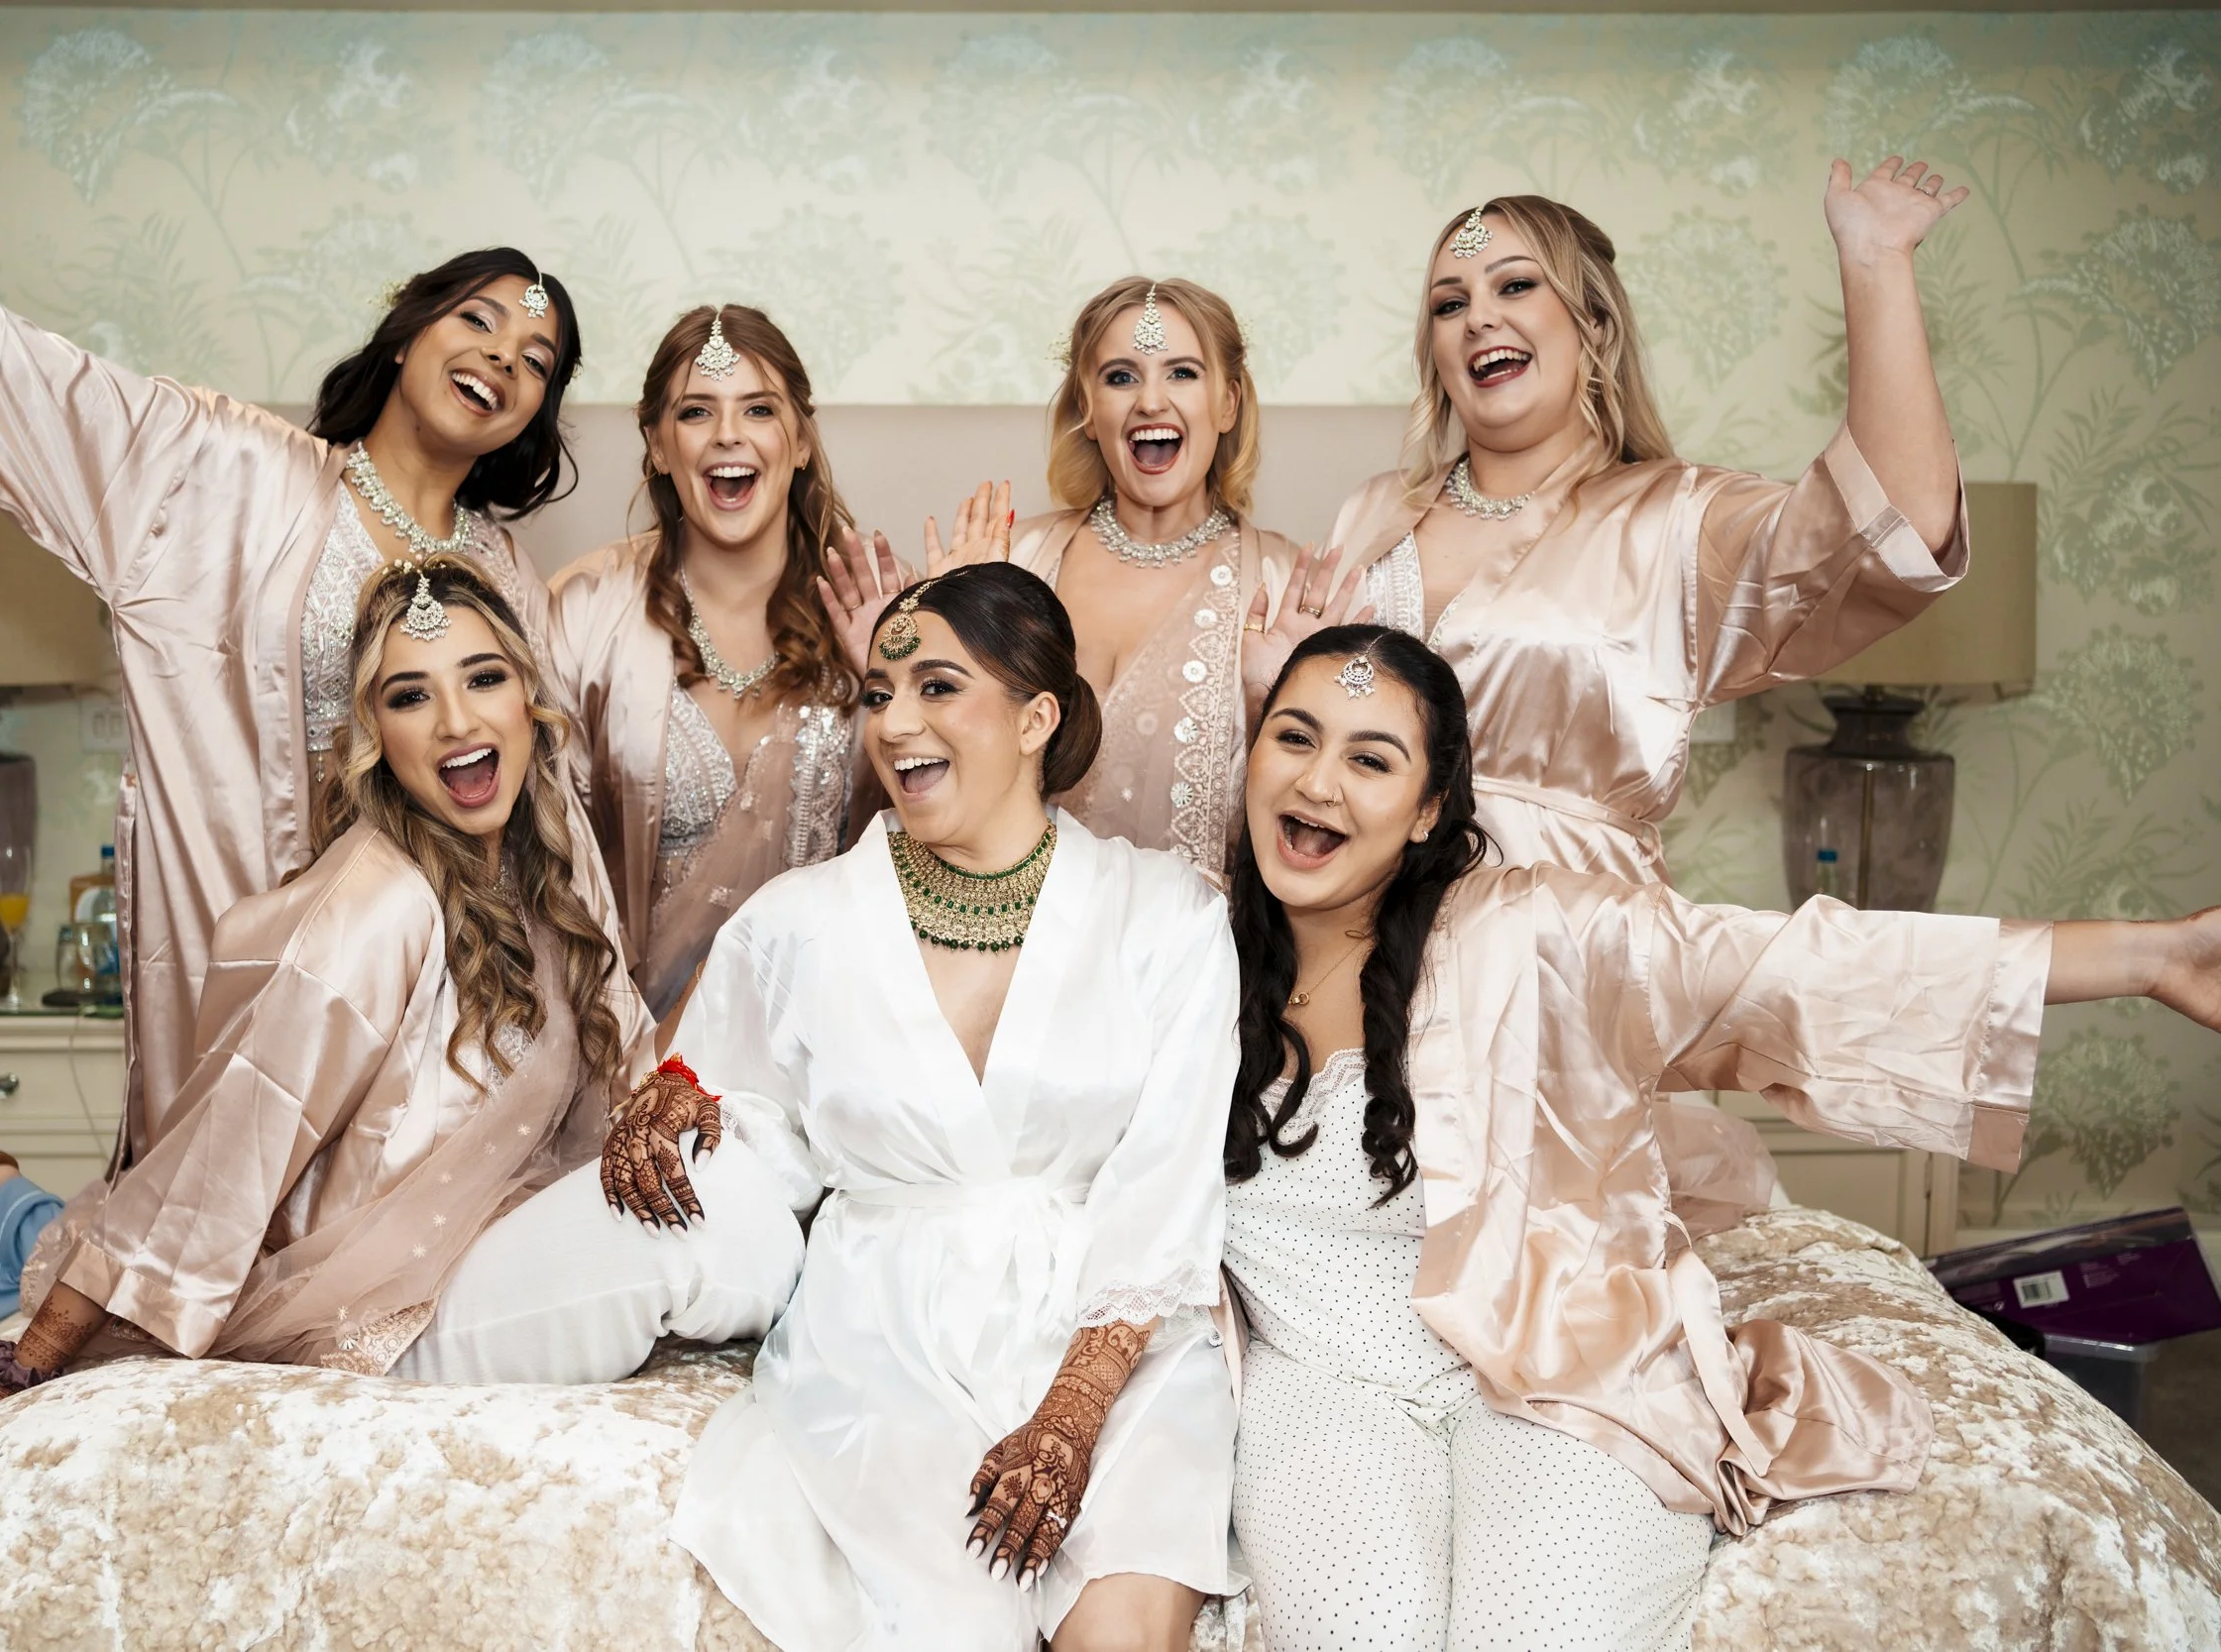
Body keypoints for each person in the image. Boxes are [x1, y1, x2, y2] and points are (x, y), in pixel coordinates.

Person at [1223, 624, 2221, 1650]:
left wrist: (2152, 958)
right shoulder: (1184, 956)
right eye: (1294, 737)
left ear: (1430, 807)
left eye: (1371, 759)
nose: (1319, 783)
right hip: (1321, 1390)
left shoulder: (1533, 934)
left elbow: (1801, 964)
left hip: (1555, 1370)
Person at [0, 163, 593, 1260]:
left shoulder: (510, 578)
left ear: (533, 416)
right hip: (263, 962)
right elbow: (11, 367)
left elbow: (553, 817)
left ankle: (13, 1221)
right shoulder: (227, 473)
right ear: (406, 332)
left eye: (537, 360)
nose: (503, 358)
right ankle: (17, 1221)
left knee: (396, 1269)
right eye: (478, 320)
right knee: (226, 1262)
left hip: (437, 1001)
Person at [0, 561, 805, 1463]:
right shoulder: (377, 907)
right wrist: (24, 1368)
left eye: (483, 678)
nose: (456, 720)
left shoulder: (549, 854)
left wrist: (665, 1097)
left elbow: (625, 1050)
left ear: (529, 699)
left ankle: (13, 1216)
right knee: (710, 1222)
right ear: (375, 736)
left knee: (730, 1168)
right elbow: (217, 1157)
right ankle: (13, 1230)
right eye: (410, 696)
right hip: (382, 1304)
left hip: (489, 1230)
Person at [625, 563, 1239, 1651]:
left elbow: (1168, 1179)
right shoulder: (800, 921)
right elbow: (734, 1099)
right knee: (949, 1624)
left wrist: (1072, 1414)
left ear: (1037, 718)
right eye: (879, 693)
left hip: (1115, 1343)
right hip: (886, 1337)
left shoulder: (1167, 916)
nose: (895, 723)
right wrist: (670, 1104)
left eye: (938, 687)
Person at [1308, 160, 1973, 885]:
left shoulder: (1676, 519)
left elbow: (1892, 523)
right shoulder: (1372, 512)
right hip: (1361, 933)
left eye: (1516, 285)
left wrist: (1876, 263)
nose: (1479, 318)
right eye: (1449, 304)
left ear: (1594, 324)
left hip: (1567, 935)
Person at [889, 278, 1334, 883]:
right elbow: (930, 764)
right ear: (1088, 409)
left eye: (1182, 373)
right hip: (1009, 925)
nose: (1150, 401)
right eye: (1121, 377)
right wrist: (933, 646)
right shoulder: (1015, 560)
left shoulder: (1282, 588)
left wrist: (1278, 707)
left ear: (1228, 403)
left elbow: (1318, 810)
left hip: (1198, 935)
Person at [549, 306, 871, 1021]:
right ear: (658, 445)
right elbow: (542, 848)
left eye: (759, 409)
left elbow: (926, 832)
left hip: (824, 1030)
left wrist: (912, 674)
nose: (728, 433)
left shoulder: (871, 608)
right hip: (624, 1034)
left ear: (800, 442)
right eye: (697, 411)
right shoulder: (584, 610)